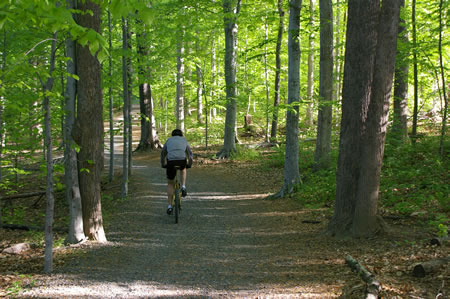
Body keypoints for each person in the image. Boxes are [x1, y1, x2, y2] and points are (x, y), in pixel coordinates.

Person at [161, 129, 193, 215]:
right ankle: (183, 186)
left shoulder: (169, 140)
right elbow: (190, 154)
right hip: (181, 161)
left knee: (170, 183)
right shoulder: (184, 140)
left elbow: (163, 153)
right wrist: (189, 164)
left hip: (171, 162)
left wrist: (163, 163)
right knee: (183, 168)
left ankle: (169, 206)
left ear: (172, 135)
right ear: (181, 135)